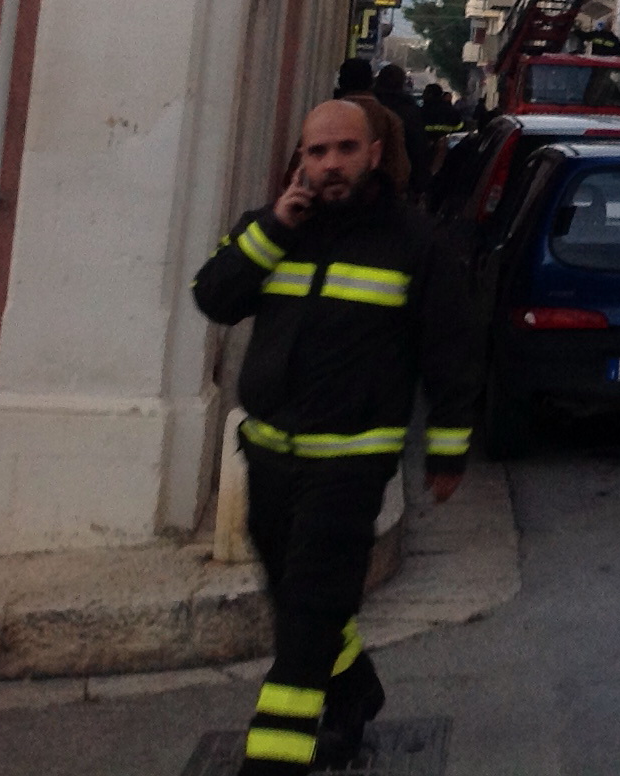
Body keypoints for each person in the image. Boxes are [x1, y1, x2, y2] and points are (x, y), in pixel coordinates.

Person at [192, 99, 478, 772]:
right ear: (300, 158)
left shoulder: (415, 243)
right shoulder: (271, 229)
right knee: (300, 604)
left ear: (374, 153)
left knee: (305, 627)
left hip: (351, 467)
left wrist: (448, 447)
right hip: (267, 456)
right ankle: (354, 690)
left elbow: (451, 352)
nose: (328, 165)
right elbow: (214, 297)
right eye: (315, 152)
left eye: (344, 149)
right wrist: (272, 228)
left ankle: (273, 760)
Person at [370, 64, 434, 202]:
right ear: (401, 84)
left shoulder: (368, 107)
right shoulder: (409, 111)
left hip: (365, 181)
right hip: (396, 187)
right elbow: (418, 149)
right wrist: (420, 185)